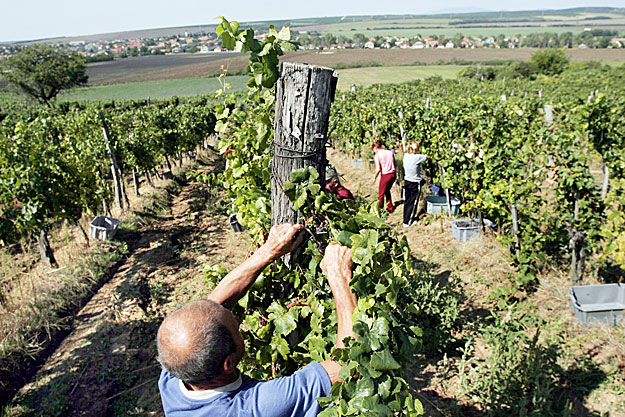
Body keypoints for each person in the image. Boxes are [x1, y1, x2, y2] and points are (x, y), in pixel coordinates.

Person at [156, 223, 357, 417]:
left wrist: (269, 251)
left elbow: (211, 309)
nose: (236, 318)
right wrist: (340, 276)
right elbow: (347, 368)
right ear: (228, 363)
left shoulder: (175, 371)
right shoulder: (256, 407)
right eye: (237, 328)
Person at [402, 141, 428, 227]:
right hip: (415, 183)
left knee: (407, 201)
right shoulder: (418, 157)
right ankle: (408, 222)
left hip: (407, 181)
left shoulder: (405, 156)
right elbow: (427, 157)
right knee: (413, 202)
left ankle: (405, 219)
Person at [372, 140, 396, 213]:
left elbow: (378, 169)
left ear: (375, 148)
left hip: (386, 175)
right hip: (393, 174)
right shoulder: (390, 152)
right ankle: (390, 207)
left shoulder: (377, 155)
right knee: (387, 191)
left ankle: (379, 210)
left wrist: (374, 177)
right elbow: (395, 164)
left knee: (381, 194)